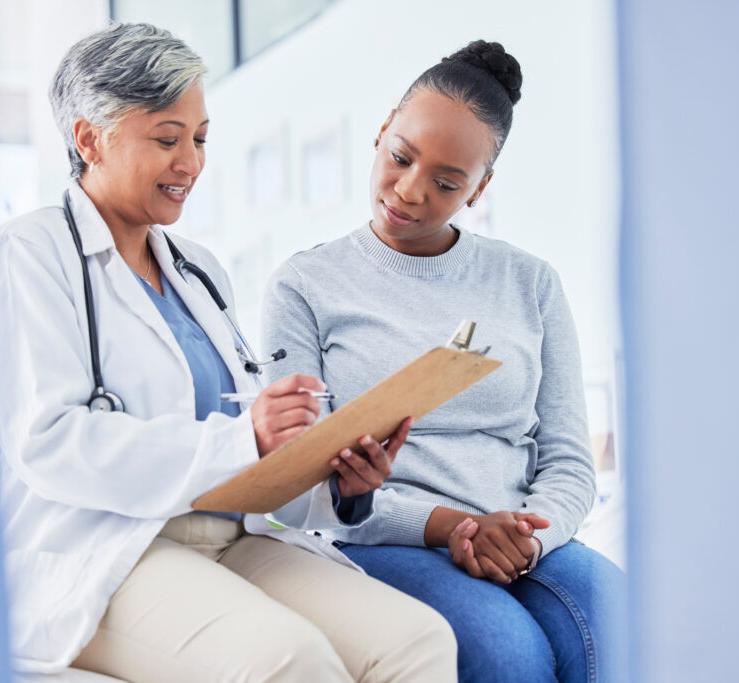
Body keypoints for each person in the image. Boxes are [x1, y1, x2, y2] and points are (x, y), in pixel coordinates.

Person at [0, 23, 457, 682]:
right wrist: (243, 440)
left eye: (200, 139)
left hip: (232, 536)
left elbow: (250, 457)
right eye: (167, 139)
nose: (191, 163)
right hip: (111, 551)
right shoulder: (31, 254)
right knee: (287, 660)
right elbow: (51, 441)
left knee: (418, 640)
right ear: (89, 139)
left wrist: (339, 481)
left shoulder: (199, 272)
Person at [262, 41, 625, 682]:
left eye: (447, 182)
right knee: (506, 652)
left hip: (519, 533)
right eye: (400, 158)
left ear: (480, 188)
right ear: (380, 133)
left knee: (623, 624)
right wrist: (454, 524)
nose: (408, 191)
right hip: (388, 536)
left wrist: (528, 535)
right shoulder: (305, 285)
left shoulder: (530, 282)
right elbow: (298, 479)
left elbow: (570, 460)